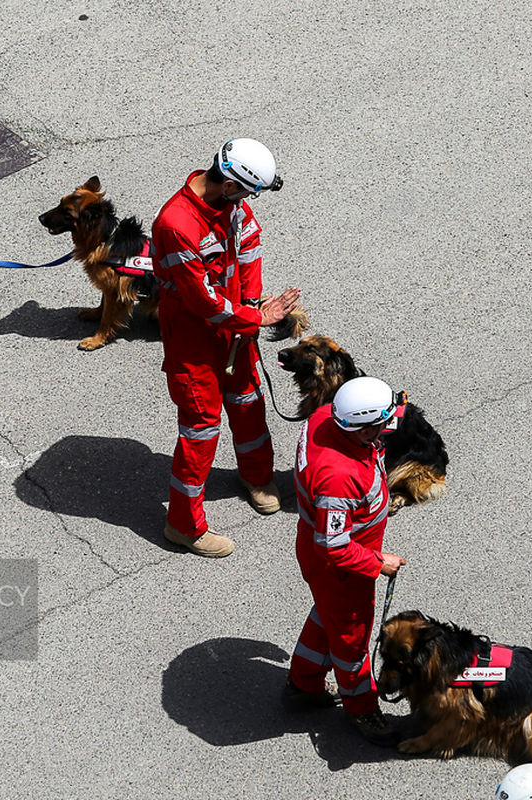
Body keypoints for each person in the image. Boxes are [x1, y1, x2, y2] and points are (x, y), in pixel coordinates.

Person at [151, 138, 301, 557]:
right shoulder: (176, 224)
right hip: (193, 342)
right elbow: (202, 302)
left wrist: (251, 306)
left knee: (249, 401)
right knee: (201, 431)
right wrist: (258, 319)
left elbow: (250, 247)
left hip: (235, 326)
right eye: (249, 192)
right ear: (232, 183)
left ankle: (256, 476)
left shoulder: (230, 204)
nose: (249, 200)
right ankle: (183, 525)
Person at [285, 376, 408, 746]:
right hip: (342, 568)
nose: (388, 428)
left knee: (327, 615)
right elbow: (334, 545)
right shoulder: (337, 480)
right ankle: (362, 710)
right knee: (352, 639)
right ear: (362, 430)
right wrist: (376, 563)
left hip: (320, 555)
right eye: (381, 426)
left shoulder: (327, 415)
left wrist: (396, 403)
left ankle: (303, 681)